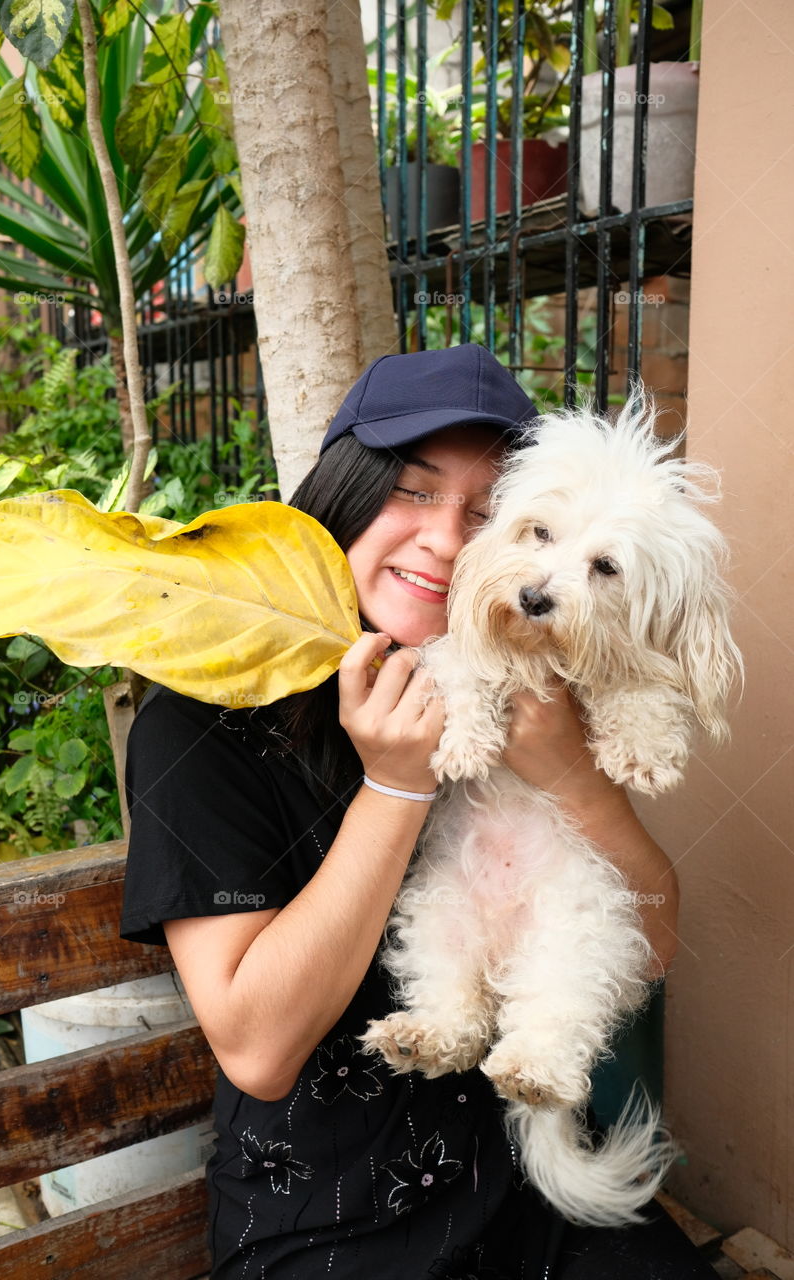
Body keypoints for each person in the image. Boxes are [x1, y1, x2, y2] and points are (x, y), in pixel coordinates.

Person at [120, 344, 719, 1279]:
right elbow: (258, 1048)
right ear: (343, 493)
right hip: (328, 1221)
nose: (447, 538)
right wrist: (396, 786)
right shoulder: (204, 727)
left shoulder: (549, 690)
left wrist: (574, 778)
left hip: (523, 1184)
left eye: (487, 511)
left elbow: (652, 944)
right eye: (411, 488)